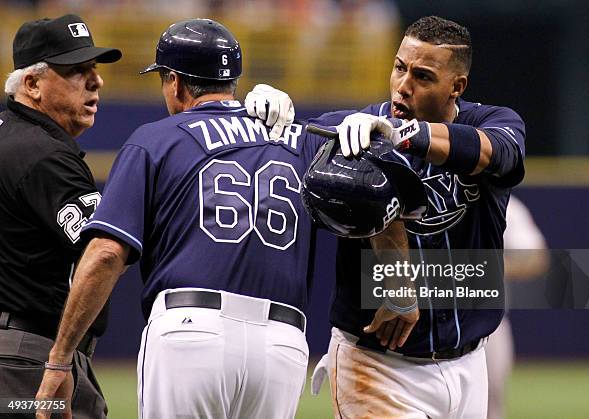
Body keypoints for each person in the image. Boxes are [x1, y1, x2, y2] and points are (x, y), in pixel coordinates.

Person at [33, 18, 397, 419]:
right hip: (282, 344)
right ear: (234, 81)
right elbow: (386, 151)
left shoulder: (158, 138)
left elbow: (105, 254)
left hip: (190, 331)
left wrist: (59, 358)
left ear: (174, 81)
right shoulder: (302, 136)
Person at [261, 15, 526, 418]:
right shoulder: (354, 131)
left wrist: (406, 135)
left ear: (457, 87)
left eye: (422, 76)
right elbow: (283, 146)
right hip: (377, 363)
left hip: (470, 364)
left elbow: (497, 154)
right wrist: (262, 110)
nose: (403, 85)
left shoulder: (492, 122)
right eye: (400, 67)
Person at [0, 14, 121, 419]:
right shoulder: (46, 156)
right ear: (32, 85)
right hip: (27, 364)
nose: (96, 81)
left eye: (94, 69)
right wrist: (59, 359)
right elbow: (104, 254)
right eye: (76, 71)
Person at [486, 195, 548, 419]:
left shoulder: (504, 204)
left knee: (489, 404)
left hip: (489, 325)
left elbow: (536, 258)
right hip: (424, 322)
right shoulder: (422, 194)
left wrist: (484, 269)